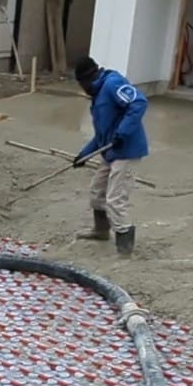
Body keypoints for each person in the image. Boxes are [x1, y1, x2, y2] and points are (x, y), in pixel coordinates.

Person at [72, 55, 149, 256]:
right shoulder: (97, 95)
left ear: (88, 79)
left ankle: (125, 246)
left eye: (82, 84)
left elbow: (139, 103)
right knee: (97, 191)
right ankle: (101, 230)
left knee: (115, 199)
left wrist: (123, 133)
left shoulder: (112, 84)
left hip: (127, 150)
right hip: (110, 150)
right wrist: (84, 155)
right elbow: (101, 135)